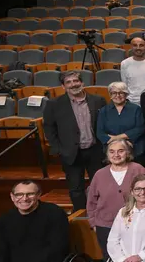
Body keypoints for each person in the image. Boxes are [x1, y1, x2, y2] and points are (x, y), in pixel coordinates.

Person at [43, 71, 106, 211]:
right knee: (76, 188)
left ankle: (101, 213)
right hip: (70, 153)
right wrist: (58, 149)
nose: (73, 84)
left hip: (95, 151)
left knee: (100, 185)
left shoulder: (98, 100)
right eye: (69, 82)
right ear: (63, 86)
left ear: (82, 83)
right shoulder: (54, 104)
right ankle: (81, 215)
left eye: (76, 81)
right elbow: (48, 128)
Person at [87, 139, 145, 258]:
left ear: (127, 153)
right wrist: (93, 223)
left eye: (120, 151)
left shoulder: (137, 169)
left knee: (132, 261)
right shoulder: (99, 174)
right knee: (110, 261)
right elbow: (91, 202)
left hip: (136, 225)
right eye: (112, 152)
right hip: (105, 226)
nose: (116, 155)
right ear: (107, 154)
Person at [96, 82, 145, 161]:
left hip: (134, 150)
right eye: (114, 93)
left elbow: (140, 128)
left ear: (126, 94)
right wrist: (116, 144)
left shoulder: (136, 109)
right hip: (112, 152)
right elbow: (100, 132)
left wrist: (117, 138)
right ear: (110, 95)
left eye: (121, 93)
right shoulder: (104, 111)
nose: (117, 96)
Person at [120, 37, 145, 105]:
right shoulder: (124, 63)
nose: (138, 48)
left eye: (141, 45)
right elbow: (125, 84)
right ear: (131, 47)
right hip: (132, 102)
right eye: (135, 45)